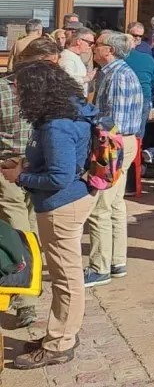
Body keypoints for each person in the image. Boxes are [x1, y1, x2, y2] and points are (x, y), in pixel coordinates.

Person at [1, 61, 96, 370]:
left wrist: (20, 177)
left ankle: (60, 342)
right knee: (66, 274)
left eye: (19, 89)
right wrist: (25, 165)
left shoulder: (57, 124)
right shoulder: (65, 110)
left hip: (61, 207)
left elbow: (59, 176)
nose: (15, 94)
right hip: (65, 202)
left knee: (66, 277)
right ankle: (62, 333)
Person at [85, 30, 144, 287]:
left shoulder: (118, 75)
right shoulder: (112, 73)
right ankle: (116, 261)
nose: (93, 48)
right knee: (115, 204)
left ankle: (100, 267)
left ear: (109, 49)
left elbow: (113, 125)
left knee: (101, 206)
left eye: (97, 45)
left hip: (114, 145)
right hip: (119, 143)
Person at [0, 51, 37, 328]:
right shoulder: (4, 91)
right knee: (21, 228)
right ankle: (27, 301)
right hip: (9, 168)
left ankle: (26, 292)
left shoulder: (42, 90)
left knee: (25, 230)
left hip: (34, 168)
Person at [58, 27, 95, 95]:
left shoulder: (74, 56)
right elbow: (66, 81)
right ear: (79, 41)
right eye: (90, 43)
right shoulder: (67, 58)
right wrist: (86, 78)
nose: (91, 46)